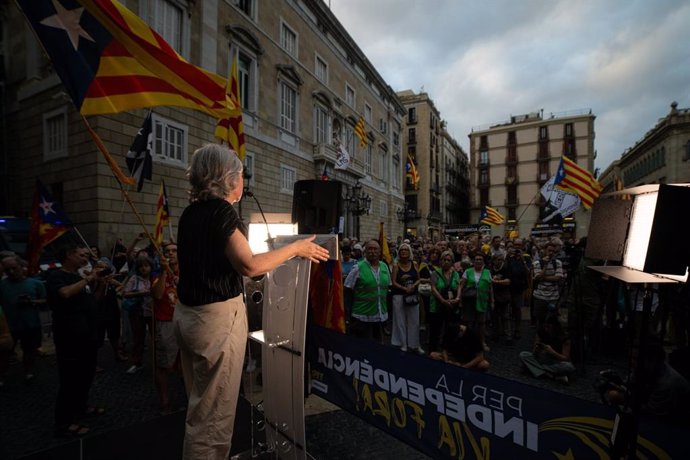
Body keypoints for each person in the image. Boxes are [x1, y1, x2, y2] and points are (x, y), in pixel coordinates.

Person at [174, 143, 328, 459]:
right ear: (228, 178)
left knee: (199, 406)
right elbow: (250, 265)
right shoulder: (221, 211)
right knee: (213, 419)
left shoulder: (191, 212)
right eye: (241, 174)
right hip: (215, 321)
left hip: (189, 316)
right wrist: (296, 249)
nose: (244, 181)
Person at [47, 244, 107, 437]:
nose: (86, 258)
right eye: (82, 255)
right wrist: (89, 278)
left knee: (86, 374)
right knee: (70, 379)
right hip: (69, 337)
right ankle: (63, 422)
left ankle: (81, 407)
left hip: (87, 334)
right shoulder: (57, 275)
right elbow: (65, 293)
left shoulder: (80, 277)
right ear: (68, 254)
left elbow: (93, 300)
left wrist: (101, 284)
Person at [0, 255, 47, 383]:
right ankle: (2, 375)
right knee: (4, 353)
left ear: (22, 267)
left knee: (30, 351)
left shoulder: (35, 284)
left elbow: (45, 300)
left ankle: (29, 371)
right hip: (9, 328)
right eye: (7, 270)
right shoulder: (2, 285)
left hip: (31, 324)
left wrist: (31, 301)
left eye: (14, 268)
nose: (11, 272)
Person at [151, 242, 180, 414]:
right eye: (167, 251)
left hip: (185, 319)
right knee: (163, 365)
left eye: (174, 251)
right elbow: (158, 294)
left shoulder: (188, 271)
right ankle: (164, 401)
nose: (170, 253)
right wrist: (163, 271)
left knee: (186, 363)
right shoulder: (156, 273)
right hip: (166, 322)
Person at [344, 239, 391, 342]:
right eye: (370, 249)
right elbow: (347, 290)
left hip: (379, 316)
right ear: (365, 252)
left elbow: (386, 289)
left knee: (378, 349)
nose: (372, 251)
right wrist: (348, 315)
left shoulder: (384, 267)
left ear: (379, 252)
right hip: (361, 318)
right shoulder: (357, 267)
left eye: (375, 249)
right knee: (361, 349)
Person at [519, 314, 575, 384]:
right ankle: (551, 375)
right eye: (545, 327)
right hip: (542, 358)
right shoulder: (541, 332)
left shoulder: (564, 338)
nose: (546, 329)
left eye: (549, 327)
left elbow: (566, 358)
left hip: (556, 361)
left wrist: (553, 352)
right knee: (523, 355)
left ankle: (535, 369)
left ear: (555, 327)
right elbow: (534, 352)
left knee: (569, 366)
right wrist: (537, 350)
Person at [390, 243, 424, 354]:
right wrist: (404, 288)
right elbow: (393, 281)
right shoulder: (396, 265)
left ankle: (415, 344)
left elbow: (419, 279)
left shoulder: (414, 264)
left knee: (414, 320)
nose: (404, 252)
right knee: (400, 320)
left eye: (406, 250)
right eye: (401, 250)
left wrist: (413, 286)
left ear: (409, 252)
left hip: (412, 295)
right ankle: (402, 343)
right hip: (399, 295)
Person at [122, 255, 153, 374]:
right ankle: (137, 362)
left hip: (151, 312)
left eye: (146, 266)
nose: (143, 269)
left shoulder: (154, 278)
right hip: (137, 312)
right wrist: (140, 293)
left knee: (156, 338)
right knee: (138, 338)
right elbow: (125, 293)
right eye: (141, 267)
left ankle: (158, 363)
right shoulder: (134, 278)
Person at [458, 254, 494, 352]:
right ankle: (467, 341)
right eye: (476, 259)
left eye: (480, 259)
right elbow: (461, 286)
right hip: (469, 301)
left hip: (482, 301)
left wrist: (492, 301)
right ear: (473, 262)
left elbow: (490, 288)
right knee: (467, 322)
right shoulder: (468, 271)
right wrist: (459, 299)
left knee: (482, 323)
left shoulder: (487, 272)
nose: (478, 261)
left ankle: (482, 342)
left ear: (483, 262)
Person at [428, 250, 460, 353]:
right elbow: (433, 289)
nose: (446, 262)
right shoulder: (435, 273)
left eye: (448, 260)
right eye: (444, 260)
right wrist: (443, 301)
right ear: (441, 261)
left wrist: (458, 298)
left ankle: (447, 352)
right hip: (437, 306)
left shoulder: (456, 274)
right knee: (435, 331)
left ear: (452, 262)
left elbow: (458, 287)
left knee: (450, 330)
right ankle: (433, 352)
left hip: (451, 306)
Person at [532, 242, 564, 329]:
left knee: (552, 320)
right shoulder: (537, 263)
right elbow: (538, 278)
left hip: (553, 297)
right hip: (540, 296)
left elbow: (558, 278)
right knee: (539, 321)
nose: (551, 253)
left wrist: (543, 277)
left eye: (553, 251)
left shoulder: (558, 263)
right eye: (549, 250)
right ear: (545, 251)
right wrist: (545, 265)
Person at [490, 251, 513, 345]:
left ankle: (508, 336)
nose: (500, 261)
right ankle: (496, 334)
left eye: (501, 259)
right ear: (494, 260)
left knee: (505, 316)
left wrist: (496, 282)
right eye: (498, 260)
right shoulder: (490, 269)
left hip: (504, 295)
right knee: (494, 317)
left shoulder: (506, 268)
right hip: (493, 295)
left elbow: (508, 281)